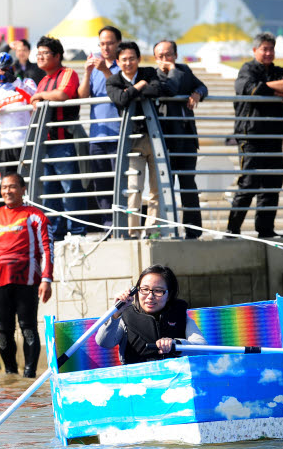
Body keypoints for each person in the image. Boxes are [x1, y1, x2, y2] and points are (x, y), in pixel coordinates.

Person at [0, 173, 53, 378]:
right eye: (4, 187)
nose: (7, 191)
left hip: (27, 281)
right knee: (2, 333)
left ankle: (29, 377)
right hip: (0, 283)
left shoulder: (35, 216)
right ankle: (10, 377)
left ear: (23, 189)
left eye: (12, 187)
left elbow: (47, 249)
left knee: (28, 329)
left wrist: (46, 279)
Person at [226, 32, 283, 239]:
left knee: (272, 184)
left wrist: (267, 89)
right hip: (250, 136)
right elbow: (249, 88)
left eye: (271, 49)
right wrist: (277, 90)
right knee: (248, 183)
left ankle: (265, 230)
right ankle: (232, 230)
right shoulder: (247, 69)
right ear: (255, 50)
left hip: (274, 136)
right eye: (264, 49)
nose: (268, 53)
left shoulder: (280, 71)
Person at [106, 42, 173, 239]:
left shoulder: (149, 72)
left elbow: (158, 90)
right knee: (133, 188)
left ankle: (152, 230)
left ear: (138, 59)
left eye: (132, 58)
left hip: (154, 137)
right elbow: (121, 99)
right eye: (124, 59)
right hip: (132, 140)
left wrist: (135, 89)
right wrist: (140, 86)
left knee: (156, 188)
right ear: (117, 61)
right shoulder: (113, 81)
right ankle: (132, 230)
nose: (128, 63)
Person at [30, 36, 87, 241]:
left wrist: (39, 97)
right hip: (46, 143)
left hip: (64, 142)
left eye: (45, 53)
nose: (40, 57)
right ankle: (55, 232)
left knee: (70, 187)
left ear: (57, 56)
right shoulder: (44, 80)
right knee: (50, 190)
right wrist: (39, 97)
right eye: (38, 54)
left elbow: (63, 94)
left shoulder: (67, 73)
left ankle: (78, 231)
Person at [95, 264, 206, 364]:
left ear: (169, 295)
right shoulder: (123, 316)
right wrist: (116, 313)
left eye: (158, 291)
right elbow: (104, 342)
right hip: (138, 381)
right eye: (144, 289)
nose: (150, 296)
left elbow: (203, 348)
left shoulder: (180, 316)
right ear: (136, 291)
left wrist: (176, 344)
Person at [153, 40, 208, 239]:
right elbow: (171, 89)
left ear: (175, 54)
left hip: (186, 138)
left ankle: (193, 231)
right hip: (166, 140)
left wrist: (197, 93)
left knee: (188, 186)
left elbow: (203, 86)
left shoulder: (185, 70)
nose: (164, 59)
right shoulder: (155, 75)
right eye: (160, 56)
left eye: (168, 55)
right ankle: (168, 230)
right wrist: (172, 69)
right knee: (164, 188)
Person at [77, 26, 122, 226]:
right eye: (102, 43)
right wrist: (87, 73)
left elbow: (120, 91)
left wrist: (105, 70)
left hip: (119, 135)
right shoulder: (94, 68)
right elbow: (82, 95)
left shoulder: (124, 65)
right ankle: (107, 225)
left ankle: (123, 225)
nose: (105, 47)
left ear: (118, 43)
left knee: (120, 184)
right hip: (97, 135)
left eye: (110, 42)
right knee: (101, 185)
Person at [0, 52, 37, 175]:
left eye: (4, 70)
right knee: (7, 183)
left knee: (27, 183)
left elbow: (33, 98)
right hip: (6, 145)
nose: (1, 74)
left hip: (26, 143)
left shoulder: (27, 82)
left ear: (13, 68)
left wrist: (15, 81)